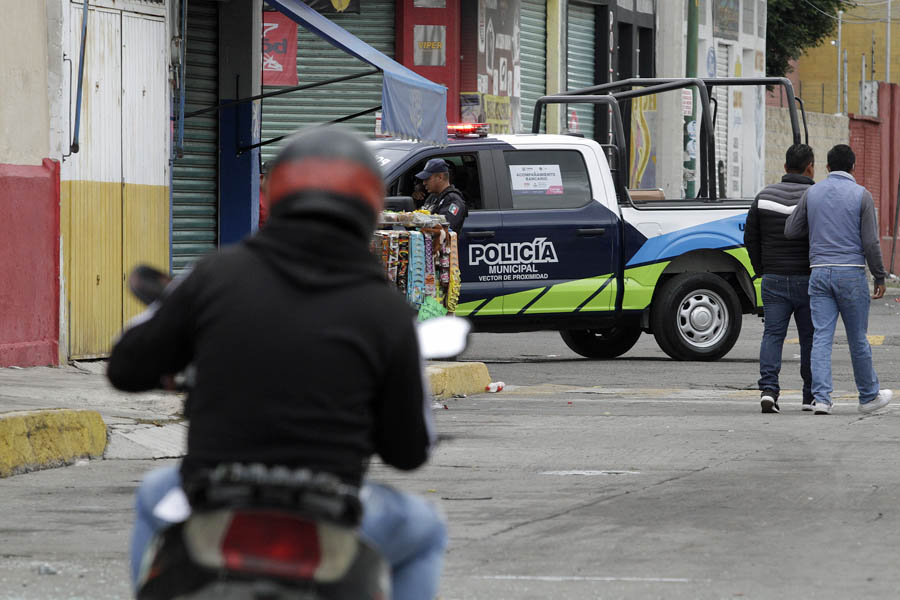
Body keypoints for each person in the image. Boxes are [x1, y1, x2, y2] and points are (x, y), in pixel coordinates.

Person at [108, 126, 447, 599]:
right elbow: (409, 452)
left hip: (213, 496)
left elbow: (125, 366)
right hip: (333, 508)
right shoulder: (386, 310)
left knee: (152, 494)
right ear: (370, 205)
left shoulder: (214, 275)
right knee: (426, 530)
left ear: (276, 192)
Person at [784, 144, 891, 415]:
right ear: (854, 167)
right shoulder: (862, 196)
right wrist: (879, 274)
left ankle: (821, 399)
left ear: (828, 167)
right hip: (851, 272)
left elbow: (791, 230)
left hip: (819, 272)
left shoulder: (812, 192)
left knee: (822, 336)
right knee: (857, 338)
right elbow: (870, 242)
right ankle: (868, 396)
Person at [744, 144, 816, 414]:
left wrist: (761, 268)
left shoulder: (764, 196)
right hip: (807, 279)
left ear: (785, 167)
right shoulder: (814, 196)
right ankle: (809, 396)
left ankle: (769, 390)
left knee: (773, 335)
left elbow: (750, 238)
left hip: (773, 278)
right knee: (810, 338)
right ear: (810, 167)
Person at [416, 158, 468, 231]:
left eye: (427, 179)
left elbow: (444, 228)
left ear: (440, 177)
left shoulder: (453, 200)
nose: (424, 183)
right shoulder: (433, 197)